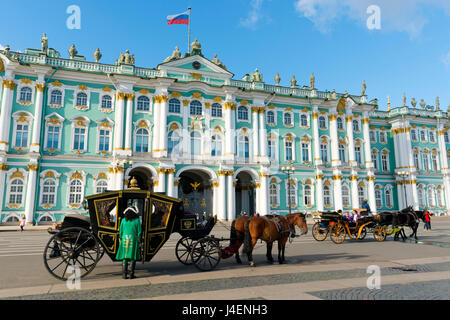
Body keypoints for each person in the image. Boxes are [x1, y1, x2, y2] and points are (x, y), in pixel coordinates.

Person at [116, 206, 142, 279]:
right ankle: (131, 274)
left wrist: (120, 238)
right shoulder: (137, 220)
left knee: (125, 256)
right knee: (132, 256)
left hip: (124, 239)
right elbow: (139, 232)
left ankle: (124, 275)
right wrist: (139, 241)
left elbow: (120, 231)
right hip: (133, 240)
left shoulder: (123, 220)